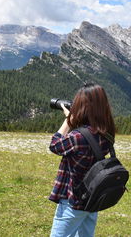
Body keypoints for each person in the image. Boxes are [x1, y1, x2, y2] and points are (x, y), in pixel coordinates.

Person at [48, 83, 116, 237]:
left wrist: (69, 119)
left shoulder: (78, 137)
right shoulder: (107, 132)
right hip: (92, 199)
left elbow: (54, 145)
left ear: (83, 107)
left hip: (73, 202)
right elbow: (89, 136)